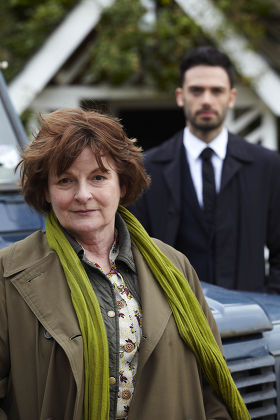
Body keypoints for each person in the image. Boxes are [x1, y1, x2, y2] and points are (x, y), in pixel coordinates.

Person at [0, 108, 249, 420]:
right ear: (46, 191)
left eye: (98, 177)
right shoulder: (8, 273)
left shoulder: (175, 266)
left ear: (123, 184)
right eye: (65, 180)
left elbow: (211, 383)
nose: (83, 194)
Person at [129, 45, 280, 293]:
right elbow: (134, 253)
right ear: (180, 96)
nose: (206, 100)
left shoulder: (268, 167)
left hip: (256, 320)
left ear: (231, 98)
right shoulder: (147, 170)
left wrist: (272, 307)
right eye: (197, 90)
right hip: (175, 321)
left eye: (216, 91)